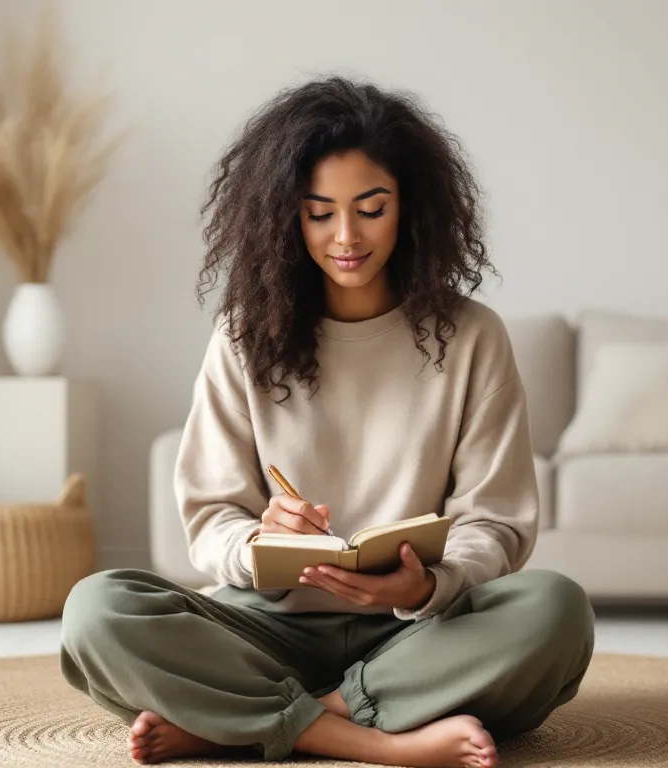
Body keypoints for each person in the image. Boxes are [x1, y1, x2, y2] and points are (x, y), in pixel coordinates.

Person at [59, 75, 595, 768]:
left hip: (419, 633)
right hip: (269, 628)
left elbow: (495, 519)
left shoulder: (472, 336)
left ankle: (257, 719)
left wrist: (429, 585)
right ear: (286, 216)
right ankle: (370, 737)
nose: (346, 237)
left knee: (554, 611)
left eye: (371, 208)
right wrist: (262, 543)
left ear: (411, 207)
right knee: (98, 611)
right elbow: (211, 517)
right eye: (319, 214)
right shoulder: (243, 334)